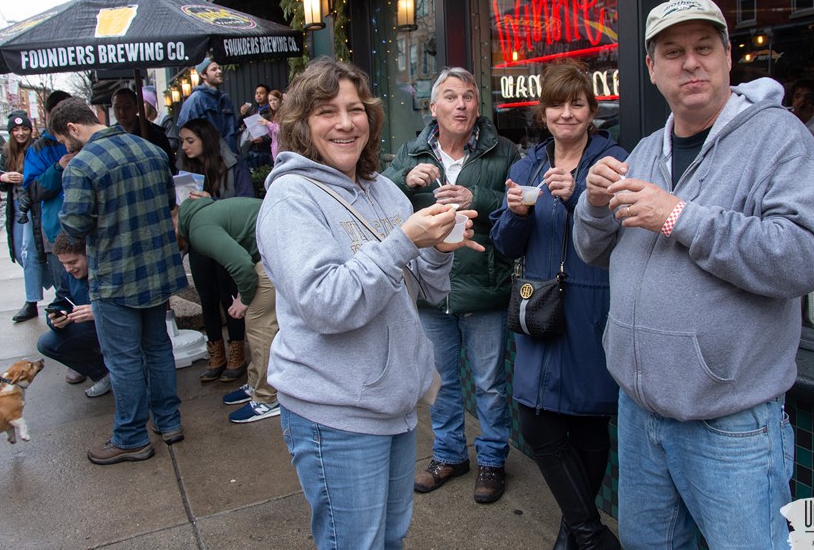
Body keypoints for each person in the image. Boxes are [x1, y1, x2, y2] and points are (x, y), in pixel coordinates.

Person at [573, 0, 814, 549]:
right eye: (673, 52)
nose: (690, 63)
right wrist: (593, 206)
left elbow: (804, 257)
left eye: (703, 48)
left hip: (729, 423)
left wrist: (680, 217)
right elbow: (595, 252)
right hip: (640, 413)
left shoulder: (779, 138)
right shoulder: (646, 150)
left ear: (727, 56)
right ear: (651, 68)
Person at [259, 57, 481, 549]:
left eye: (354, 109)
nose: (345, 123)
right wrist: (405, 242)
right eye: (327, 111)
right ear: (302, 124)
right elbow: (326, 305)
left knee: (390, 538)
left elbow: (427, 289)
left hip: (392, 403)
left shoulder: (383, 190)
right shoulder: (291, 199)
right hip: (334, 411)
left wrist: (439, 250)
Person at [489, 59, 626, 549]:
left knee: (588, 426)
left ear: (591, 111)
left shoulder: (612, 162)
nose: (566, 113)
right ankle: (590, 535)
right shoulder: (526, 166)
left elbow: (624, 235)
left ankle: (573, 538)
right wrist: (517, 213)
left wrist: (577, 200)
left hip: (592, 310)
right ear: (542, 111)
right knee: (535, 423)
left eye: (577, 104)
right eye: (556, 104)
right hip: (539, 308)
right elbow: (505, 245)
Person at [383, 66, 520, 504]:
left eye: (468, 97)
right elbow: (377, 201)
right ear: (433, 107)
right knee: (439, 381)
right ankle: (449, 455)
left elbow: (520, 203)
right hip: (431, 290)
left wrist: (477, 197)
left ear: (478, 106)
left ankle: (493, 461)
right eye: (451, 97)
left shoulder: (503, 151)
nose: (461, 105)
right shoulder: (410, 153)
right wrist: (403, 181)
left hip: (484, 284)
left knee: (490, 385)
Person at [52, 97, 188, 466]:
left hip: (115, 274)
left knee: (123, 358)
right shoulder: (150, 150)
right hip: (156, 268)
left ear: (72, 128)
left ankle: (130, 437)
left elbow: (74, 227)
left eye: (64, 140)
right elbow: (170, 203)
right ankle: (169, 421)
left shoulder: (81, 165)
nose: (65, 147)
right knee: (157, 348)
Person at [176, 196, 279, 423]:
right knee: (255, 322)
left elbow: (242, 266)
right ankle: (256, 383)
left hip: (276, 249)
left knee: (259, 324)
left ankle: (269, 397)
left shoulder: (199, 230)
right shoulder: (201, 217)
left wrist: (244, 298)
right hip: (269, 249)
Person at [178, 117, 255, 382]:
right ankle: (216, 354)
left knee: (229, 295)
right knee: (207, 298)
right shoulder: (184, 171)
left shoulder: (233, 165)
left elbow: (245, 201)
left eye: (190, 140)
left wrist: (212, 202)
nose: (185, 147)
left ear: (206, 140)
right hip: (199, 242)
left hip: (229, 239)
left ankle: (237, 353)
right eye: (182, 141)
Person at [36, 231, 111, 398]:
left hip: (116, 326)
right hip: (90, 328)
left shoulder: (107, 269)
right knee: (46, 343)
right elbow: (60, 302)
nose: (68, 269)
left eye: (72, 262)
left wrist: (99, 311)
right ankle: (102, 373)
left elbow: (129, 304)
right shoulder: (69, 274)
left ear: (88, 254)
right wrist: (56, 319)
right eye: (63, 264)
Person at [21, 90, 75, 321]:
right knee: (65, 292)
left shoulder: (82, 140)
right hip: (56, 231)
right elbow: (33, 190)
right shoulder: (39, 148)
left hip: (88, 227)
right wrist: (58, 168)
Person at [0, 111, 51, 323]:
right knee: (21, 253)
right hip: (16, 206)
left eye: (25, 129)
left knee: (30, 252)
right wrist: (4, 177)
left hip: (34, 205)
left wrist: (25, 179)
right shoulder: (6, 152)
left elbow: (44, 178)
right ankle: (44, 283)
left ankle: (32, 299)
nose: (20, 133)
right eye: (16, 129)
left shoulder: (36, 148)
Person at [177, 57, 238, 152]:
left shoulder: (225, 99)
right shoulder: (195, 100)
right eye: (214, 69)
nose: (219, 71)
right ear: (203, 74)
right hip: (209, 157)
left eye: (219, 68)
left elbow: (233, 130)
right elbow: (185, 132)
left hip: (230, 156)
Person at [111, 87, 176, 173]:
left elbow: (169, 168)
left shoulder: (155, 135)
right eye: (117, 107)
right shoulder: (111, 137)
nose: (122, 112)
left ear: (136, 108)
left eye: (127, 107)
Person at [238, 83, 273, 169]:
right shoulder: (251, 110)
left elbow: (276, 130)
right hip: (251, 149)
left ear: (268, 95)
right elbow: (239, 124)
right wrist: (242, 114)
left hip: (266, 151)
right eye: (257, 93)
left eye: (261, 93)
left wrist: (263, 139)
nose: (258, 95)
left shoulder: (272, 111)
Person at [143, 85, 179, 156]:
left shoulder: (164, 120)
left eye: (143, 102)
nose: (139, 106)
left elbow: (173, 144)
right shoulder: (139, 122)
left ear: (150, 104)